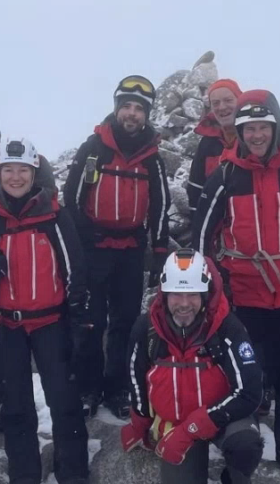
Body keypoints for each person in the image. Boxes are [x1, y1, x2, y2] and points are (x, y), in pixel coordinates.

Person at [192, 90, 280, 479]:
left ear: (275, 128)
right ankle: (245, 441)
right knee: (245, 370)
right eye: (249, 128)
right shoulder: (225, 175)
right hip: (243, 292)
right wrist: (208, 288)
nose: (256, 135)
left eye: (263, 128)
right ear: (239, 131)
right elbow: (203, 236)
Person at [0, 136, 90, 484]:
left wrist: (80, 316)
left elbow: (74, 268)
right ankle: (24, 478)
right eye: (8, 170)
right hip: (7, 326)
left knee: (64, 401)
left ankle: (74, 474)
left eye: (23, 170)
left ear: (35, 173)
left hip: (51, 322)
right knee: (15, 405)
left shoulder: (53, 214)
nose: (16, 177)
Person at [122, 249, 263, 484]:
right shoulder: (147, 328)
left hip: (220, 417)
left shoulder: (226, 328)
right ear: (164, 295)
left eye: (192, 295)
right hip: (173, 421)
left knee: (245, 442)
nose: (184, 304)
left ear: (205, 295)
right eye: (176, 294)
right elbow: (135, 376)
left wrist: (192, 429)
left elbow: (249, 392)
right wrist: (140, 422)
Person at [64, 75, 171, 419]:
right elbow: (71, 197)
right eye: (126, 105)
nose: (132, 113)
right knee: (91, 322)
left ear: (147, 114)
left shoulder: (152, 157)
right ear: (116, 109)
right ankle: (87, 387)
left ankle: (118, 387)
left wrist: (158, 252)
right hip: (93, 250)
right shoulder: (94, 148)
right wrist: (81, 239)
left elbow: (160, 205)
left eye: (139, 108)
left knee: (126, 321)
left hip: (129, 252)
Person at [187, 79, 242, 212]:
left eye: (228, 100)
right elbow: (196, 187)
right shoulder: (207, 143)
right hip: (215, 226)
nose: (222, 107)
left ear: (241, 101)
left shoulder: (254, 137)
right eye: (215, 103)